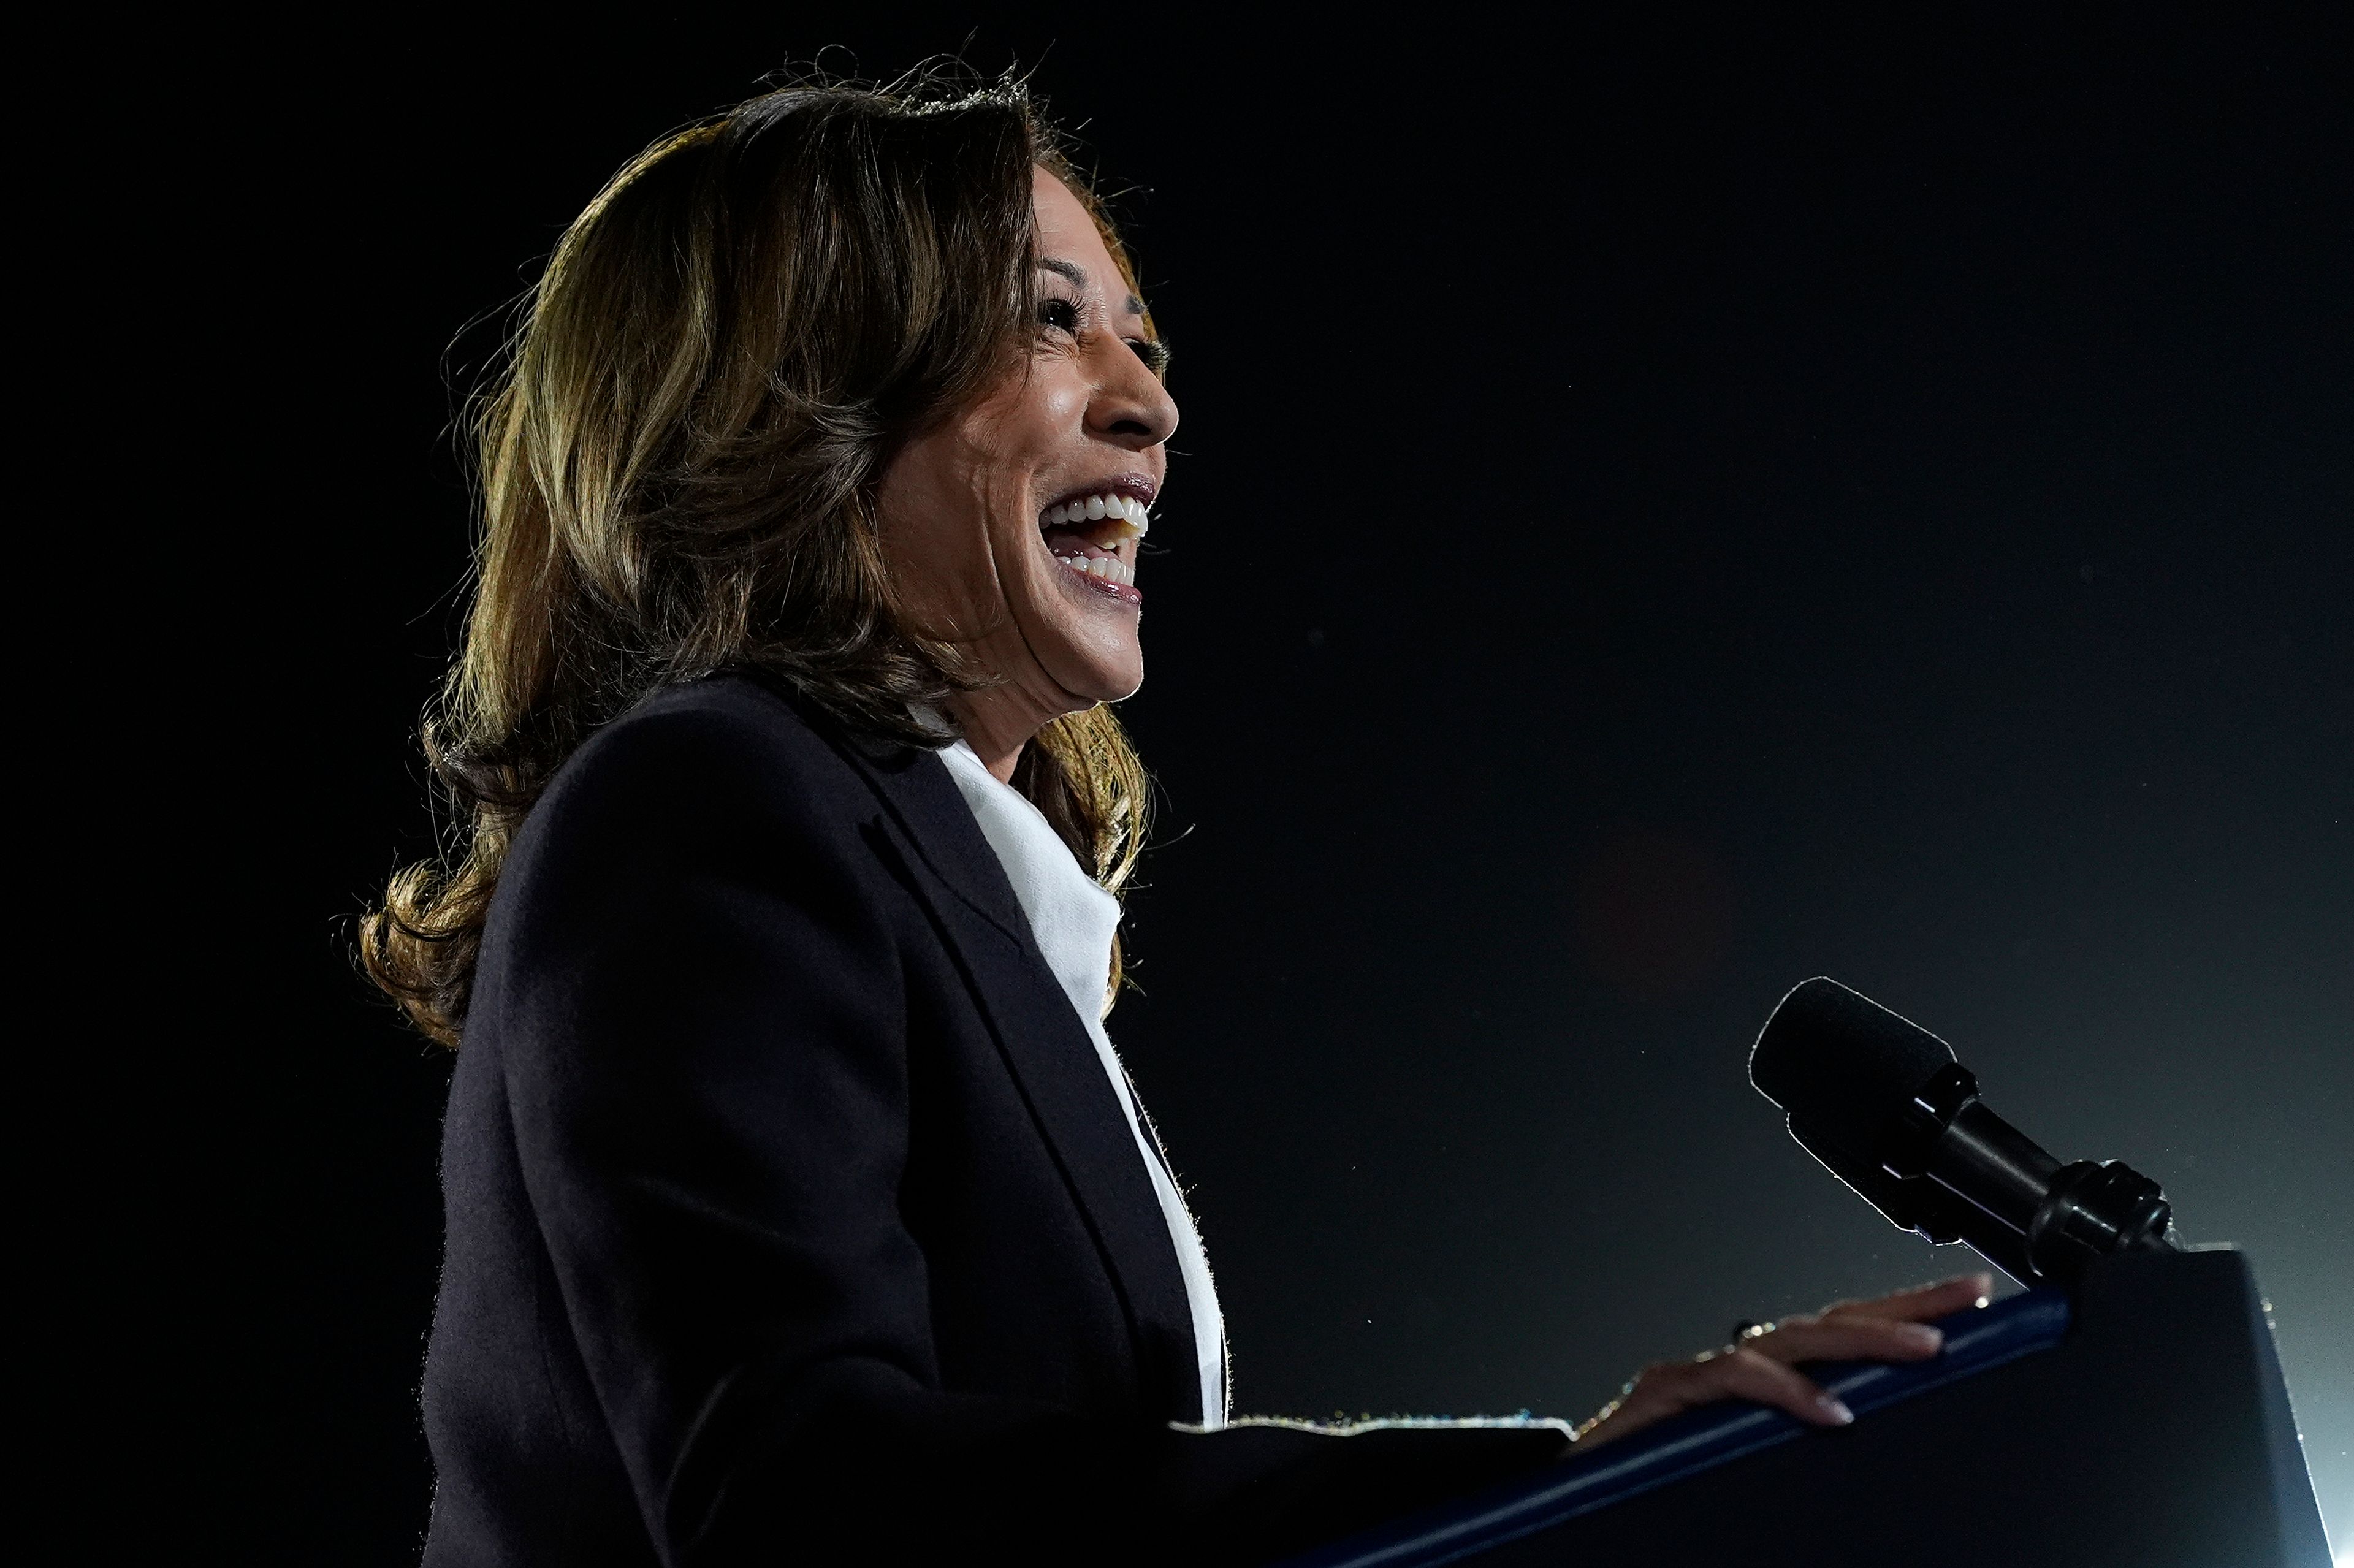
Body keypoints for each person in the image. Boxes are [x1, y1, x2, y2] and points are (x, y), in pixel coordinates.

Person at [365, 72, 1988, 1565]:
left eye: (1139, 337)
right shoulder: (710, 800)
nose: (1151, 405)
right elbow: (804, 1495)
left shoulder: (957, 892)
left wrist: (1594, 1488)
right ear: (799, 398)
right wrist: (1541, 1484)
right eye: (1049, 319)